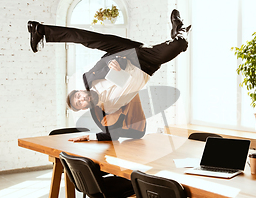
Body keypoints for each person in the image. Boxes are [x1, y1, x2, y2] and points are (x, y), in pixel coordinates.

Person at [28, 10, 190, 141]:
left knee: (90, 39)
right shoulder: (104, 111)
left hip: (126, 54)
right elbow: (111, 134)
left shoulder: (89, 79)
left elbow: (103, 63)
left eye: (78, 96)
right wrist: (89, 138)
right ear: (84, 108)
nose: (81, 99)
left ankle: (41, 31)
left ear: (80, 91)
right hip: (146, 65)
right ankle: (179, 29)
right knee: (180, 44)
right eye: (79, 104)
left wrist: (115, 64)